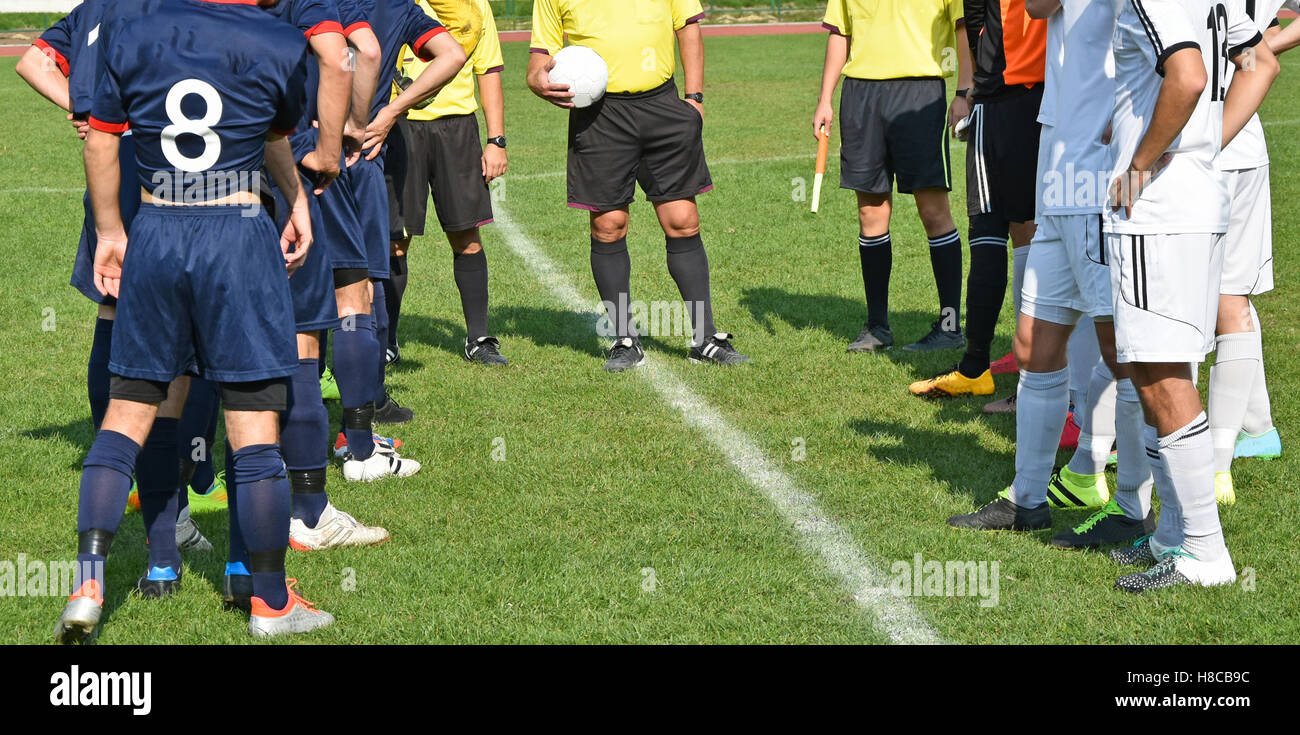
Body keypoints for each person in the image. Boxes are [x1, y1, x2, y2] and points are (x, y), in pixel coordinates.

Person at [55, 0, 336, 640]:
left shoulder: (131, 31)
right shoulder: (279, 39)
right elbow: (272, 137)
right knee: (254, 427)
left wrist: (108, 231)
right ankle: (268, 600)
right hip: (235, 230)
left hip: (155, 226)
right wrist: (296, 200)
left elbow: (101, 137)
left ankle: (91, 580)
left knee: (127, 412)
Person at [526, 0, 749, 371]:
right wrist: (537, 80)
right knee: (608, 225)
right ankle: (624, 338)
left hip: (662, 104)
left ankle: (705, 338)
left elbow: (688, 27)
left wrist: (694, 99)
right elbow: (539, 58)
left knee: (683, 220)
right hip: (600, 116)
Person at [814, 0, 973, 353]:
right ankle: (877, 327)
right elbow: (841, 32)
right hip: (860, 94)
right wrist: (825, 98)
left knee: (934, 212)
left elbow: (963, 27)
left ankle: (949, 327)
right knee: (870, 212)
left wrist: (963, 91)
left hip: (920, 93)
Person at [910, 0, 1046, 397]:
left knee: (988, 228)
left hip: (1005, 95)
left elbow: (977, 25)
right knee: (1033, 230)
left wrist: (971, 91)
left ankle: (977, 366)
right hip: (1045, 96)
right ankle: (1030, 357)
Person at [388, 0, 509, 366]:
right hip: (399, 127)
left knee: (466, 236)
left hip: (457, 128)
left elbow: (488, 70)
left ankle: (479, 339)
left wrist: (496, 140)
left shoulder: (473, 5)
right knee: (394, 239)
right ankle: (386, 340)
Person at [1207, 0, 1293, 504]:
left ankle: (1212, 458)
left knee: (1216, 302)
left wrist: (1261, 45)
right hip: (1232, 144)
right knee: (1230, 301)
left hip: (1207, 146)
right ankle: (1255, 426)